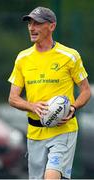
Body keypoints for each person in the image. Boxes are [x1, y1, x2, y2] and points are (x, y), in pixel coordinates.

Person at [8, 6, 91, 179]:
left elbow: (85, 91)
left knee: (51, 176)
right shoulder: (22, 58)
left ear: (51, 26)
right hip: (34, 133)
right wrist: (31, 106)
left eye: (37, 23)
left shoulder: (69, 56)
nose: (31, 28)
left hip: (63, 131)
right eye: (30, 23)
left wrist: (73, 107)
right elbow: (13, 98)